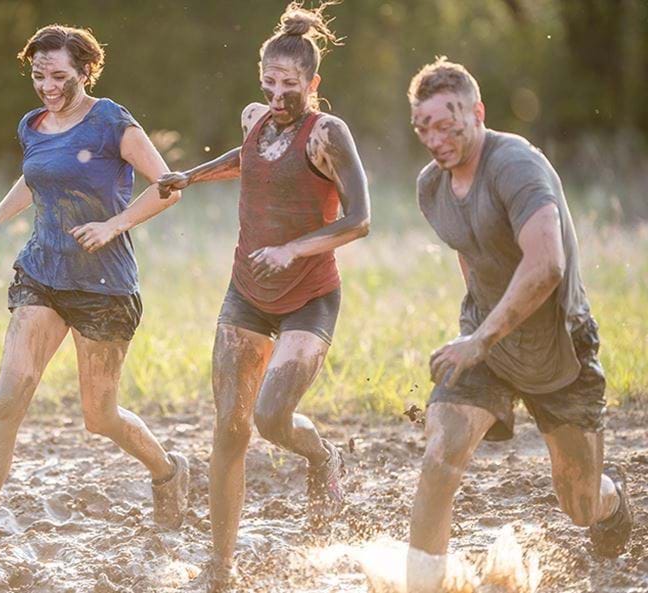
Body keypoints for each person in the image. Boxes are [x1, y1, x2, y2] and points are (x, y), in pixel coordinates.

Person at [0, 24, 190, 562]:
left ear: (86, 71)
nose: (47, 86)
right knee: (7, 399)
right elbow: (35, 177)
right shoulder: (33, 125)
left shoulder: (111, 121)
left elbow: (168, 187)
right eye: (38, 76)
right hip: (42, 275)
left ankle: (168, 472)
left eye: (59, 76)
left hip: (104, 288)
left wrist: (114, 225)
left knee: (100, 417)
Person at [158, 2, 371, 588]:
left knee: (272, 418)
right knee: (230, 428)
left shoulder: (327, 133)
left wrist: (292, 249)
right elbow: (247, 159)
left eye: (290, 85)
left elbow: (360, 219)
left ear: (313, 83)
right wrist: (189, 176)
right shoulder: (255, 118)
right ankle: (220, 564)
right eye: (269, 83)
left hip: (309, 295)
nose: (278, 96)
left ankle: (321, 456)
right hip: (247, 293)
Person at [405, 57, 632, 591]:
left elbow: (547, 264)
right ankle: (421, 584)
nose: (435, 140)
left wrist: (483, 336)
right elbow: (471, 250)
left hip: (559, 346)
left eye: (447, 125)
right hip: (485, 343)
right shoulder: (430, 187)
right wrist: (477, 331)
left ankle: (611, 499)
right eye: (423, 128)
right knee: (440, 456)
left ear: (477, 113)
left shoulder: (515, 165)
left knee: (578, 503)